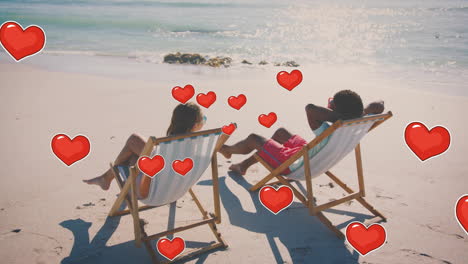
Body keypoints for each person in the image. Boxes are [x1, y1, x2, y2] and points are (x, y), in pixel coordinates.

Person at [219, 90, 385, 176]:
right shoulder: (357, 127)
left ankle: (228, 150)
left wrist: (338, 116)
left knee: (253, 138)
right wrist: (355, 114)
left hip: (295, 166)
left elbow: (310, 108)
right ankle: (243, 166)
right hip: (315, 157)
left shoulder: (327, 131)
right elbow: (379, 104)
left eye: (331, 104)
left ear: (335, 112)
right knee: (281, 132)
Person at [84, 102, 206, 198]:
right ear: (195, 126)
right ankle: (106, 178)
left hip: (148, 192)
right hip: (175, 191)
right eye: (203, 120)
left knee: (133, 143)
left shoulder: (169, 147)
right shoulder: (200, 143)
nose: (204, 122)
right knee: (138, 153)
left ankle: (107, 178)